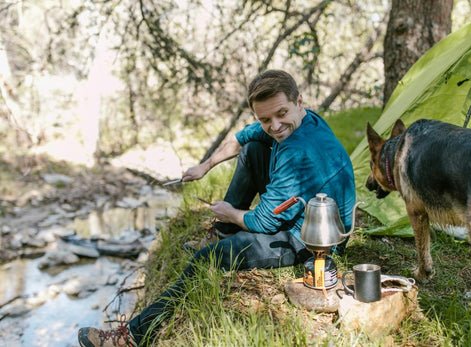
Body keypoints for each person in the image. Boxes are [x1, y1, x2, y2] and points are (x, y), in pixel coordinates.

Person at [78, 69, 356, 346]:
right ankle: (223, 231)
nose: (275, 125)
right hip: (306, 213)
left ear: (299, 101)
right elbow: (243, 138)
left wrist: (230, 213)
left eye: (281, 114)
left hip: (313, 240)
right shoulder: (308, 120)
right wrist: (205, 166)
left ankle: (130, 338)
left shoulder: (299, 152)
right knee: (253, 149)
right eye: (265, 119)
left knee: (207, 258)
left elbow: (263, 223)